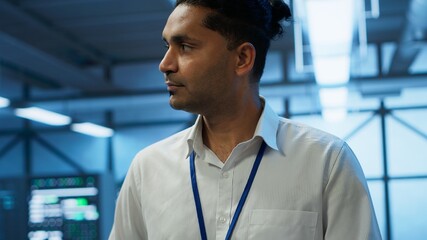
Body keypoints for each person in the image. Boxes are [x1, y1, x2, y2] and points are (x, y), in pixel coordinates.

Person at [109, 0, 382, 239]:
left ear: (242, 58)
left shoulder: (326, 162)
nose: (165, 64)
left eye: (185, 47)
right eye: (168, 45)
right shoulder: (147, 169)